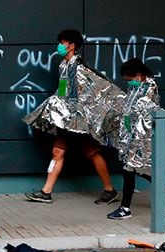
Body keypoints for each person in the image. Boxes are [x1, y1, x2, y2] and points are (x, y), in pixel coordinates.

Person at [24, 29, 121, 205]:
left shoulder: (81, 68)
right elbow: (62, 92)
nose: (60, 45)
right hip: (66, 120)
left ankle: (109, 190)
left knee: (92, 152)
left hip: (80, 122)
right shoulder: (63, 65)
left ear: (72, 45)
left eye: (63, 42)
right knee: (58, 151)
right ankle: (46, 192)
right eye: (60, 42)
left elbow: (97, 90)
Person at [107, 58, 165, 219]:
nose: (129, 83)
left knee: (129, 169)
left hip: (142, 138)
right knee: (137, 169)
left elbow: (141, 110)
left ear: (139, 75)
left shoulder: (150, 87)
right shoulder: (137, 86)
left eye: (130, 79)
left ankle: (125, 208)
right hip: (131, 136)